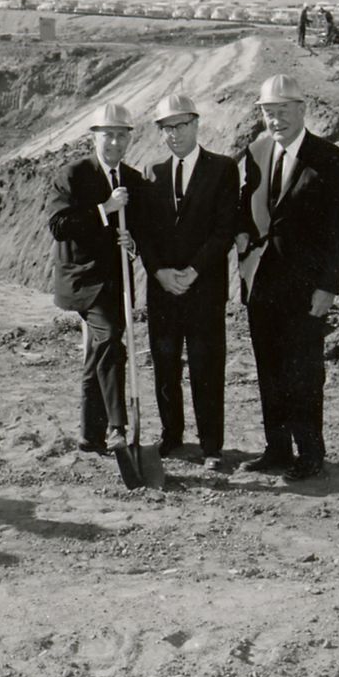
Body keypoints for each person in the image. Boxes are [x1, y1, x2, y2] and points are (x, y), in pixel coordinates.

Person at [236, 74, 339, 482]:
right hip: (262, 286)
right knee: (269, 369)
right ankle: (277, 449)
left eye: (283, 112)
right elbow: (245, 212)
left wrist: (328, 287)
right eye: (269, 113)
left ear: (302, 110)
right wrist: (242, 247)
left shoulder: (332, 160)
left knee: (303, 372)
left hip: (306, 290)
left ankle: (309, 453)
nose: (276, 120)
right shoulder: (254, 153)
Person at [137, 94, 238, 471]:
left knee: (206, 365)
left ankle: (211, 446)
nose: (174, 134)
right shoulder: (153, 173)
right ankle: (172, 435)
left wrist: (193, 272)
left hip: (204, 288)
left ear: (196, 124)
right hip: (163, 290)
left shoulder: (223, 169)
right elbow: (144, 234)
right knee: (165, 364)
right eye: (166, 128)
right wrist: (160, 273)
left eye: (180, 126)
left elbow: (223, 230)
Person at [47, 103, 144, 454]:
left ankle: (90, 435)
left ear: (130, 137)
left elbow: (144, 231)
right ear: (95, 137)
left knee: (97, 354)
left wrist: (131, 243)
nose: (115, 143)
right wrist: (105, 210)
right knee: (108, 342)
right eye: (109, 136)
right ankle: (118, 427)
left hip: (116, 281)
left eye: (122, 135)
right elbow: (59, 227)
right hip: (83, 281)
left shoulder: (132, 179)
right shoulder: (72, 175)